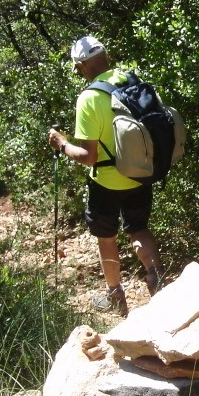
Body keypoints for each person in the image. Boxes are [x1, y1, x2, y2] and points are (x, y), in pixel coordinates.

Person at [47, 35, 161, 317]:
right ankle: (159, 282)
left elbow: (89, 157)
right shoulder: (131, 80)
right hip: (140, 173)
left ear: (83, 65)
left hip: (107, 181)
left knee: (106, 236)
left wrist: (62, 145)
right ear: (106, 57)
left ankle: (115, 297)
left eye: (78, 68)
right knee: (139, 228)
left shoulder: (89, 98)